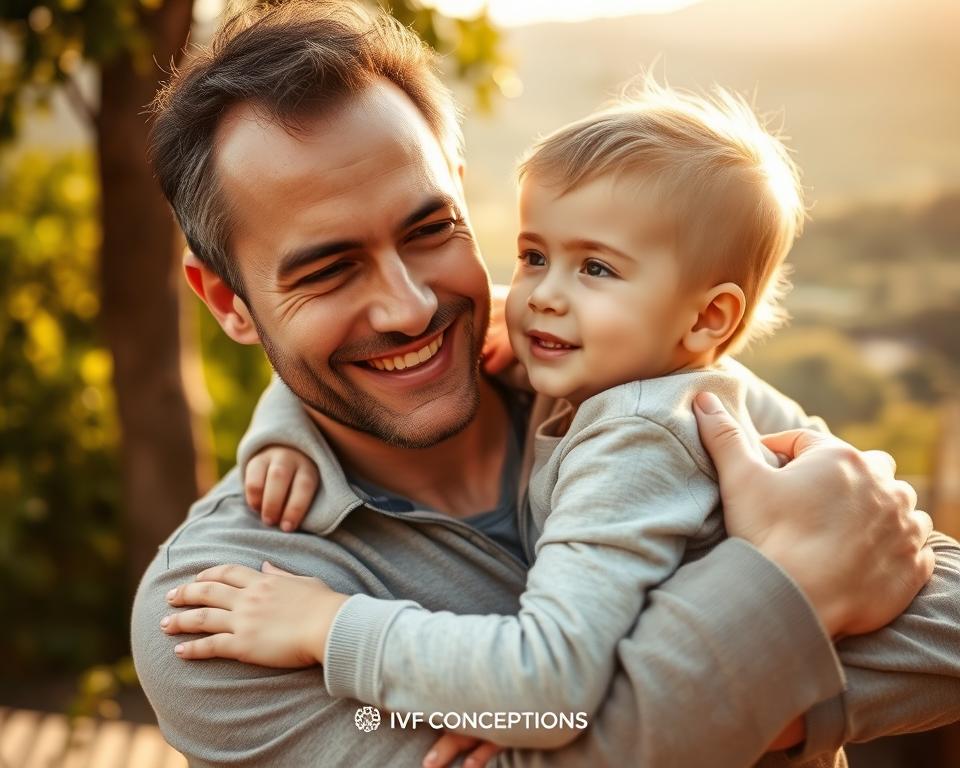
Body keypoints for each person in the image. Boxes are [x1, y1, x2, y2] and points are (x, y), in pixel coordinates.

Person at [131, 2, 960, 766]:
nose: (411, 307)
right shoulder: (215, 609)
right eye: (329, 270)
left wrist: (694, 708)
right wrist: (794, 598)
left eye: (430, 230)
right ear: (229, 304)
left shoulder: (631, 383)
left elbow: (950, 618)